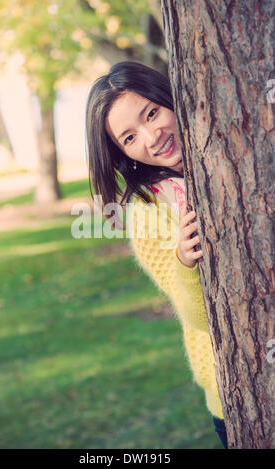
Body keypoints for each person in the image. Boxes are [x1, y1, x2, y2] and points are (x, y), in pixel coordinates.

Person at [85, 60, 228, 449]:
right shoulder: (147, 212)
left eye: (151, 113)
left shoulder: (234, 149)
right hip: (234, 391)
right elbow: (197, 316)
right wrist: (185, 261)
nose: (152, 136)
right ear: (122, 155)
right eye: (129, 138)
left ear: (170, 96)